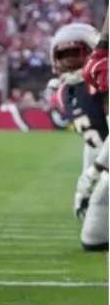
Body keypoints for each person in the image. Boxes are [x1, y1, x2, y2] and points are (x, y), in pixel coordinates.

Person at [51, 23, 108, 251]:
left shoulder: (102, 81)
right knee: (93, 238)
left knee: (95, 237)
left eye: (76, 53)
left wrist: (94, 172)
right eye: (63, 55)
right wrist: (83, 181)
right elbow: (92, 141)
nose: (69, 61)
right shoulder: (67, 91)